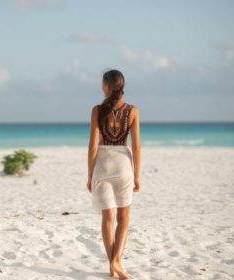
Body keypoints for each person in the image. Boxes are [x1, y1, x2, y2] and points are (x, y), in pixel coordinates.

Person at [87, 69, 141, 279]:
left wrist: (89, 173)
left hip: (103, 164)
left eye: (102, 84)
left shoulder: (97, 110)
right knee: (123, 218)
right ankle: (116, 262)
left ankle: (113, 265)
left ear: (107, 87)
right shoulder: (133, 110)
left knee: (107, 217)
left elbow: (92, 146)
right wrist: (137, 175)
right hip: (124, 166)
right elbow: (136, 147)